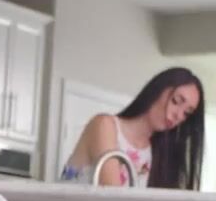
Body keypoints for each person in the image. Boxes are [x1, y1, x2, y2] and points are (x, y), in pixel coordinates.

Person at [59, 67, 205, 189]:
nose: (178, 115)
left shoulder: (158, 154)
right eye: (176, 101)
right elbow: (114, 199)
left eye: (187, 113)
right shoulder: (105, 125)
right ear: (158, 89)